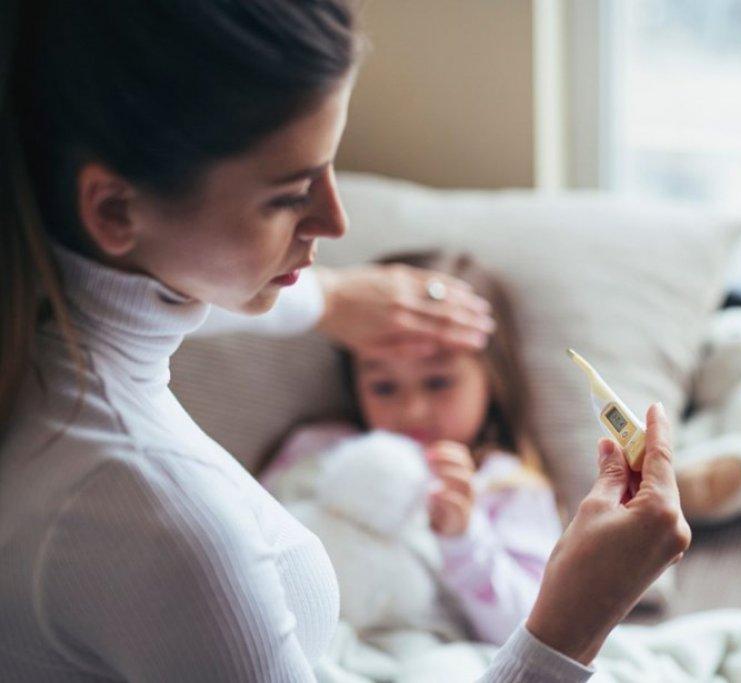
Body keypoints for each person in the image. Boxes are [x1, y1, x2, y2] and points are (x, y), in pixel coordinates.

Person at [0, 2, 688, 681]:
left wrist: (328, 299)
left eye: (333, 165)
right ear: (116, 209)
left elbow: (156, 296)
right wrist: (568, 629)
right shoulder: (167, 524)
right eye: (287, 194)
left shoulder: (41, 336)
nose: (335, 219)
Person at [261, 251, 561, 647]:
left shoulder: (506, 485)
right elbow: (250, 542)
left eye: (438, 382)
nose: (411, 410)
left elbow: (534, 630)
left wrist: (465, 539)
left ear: (493, 378)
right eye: (384, 387)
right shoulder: (318, 448)